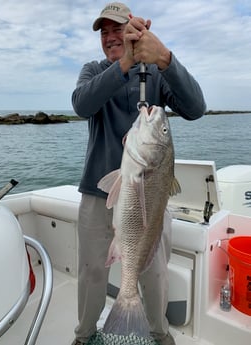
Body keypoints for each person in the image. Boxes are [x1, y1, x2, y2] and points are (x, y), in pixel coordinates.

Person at [71, 2, 206, 345]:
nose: (110, 37)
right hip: (97, 194)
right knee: (90, 274)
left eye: (117, 29)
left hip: (149, 198)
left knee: (155, 273)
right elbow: (82, 104)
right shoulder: (94, 70)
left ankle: (160, 335)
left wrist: (165, 58)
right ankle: (85, 335)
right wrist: (125, 64)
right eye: (104, 32)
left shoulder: (156, 75)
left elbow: (195, 108)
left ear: (135, 31)